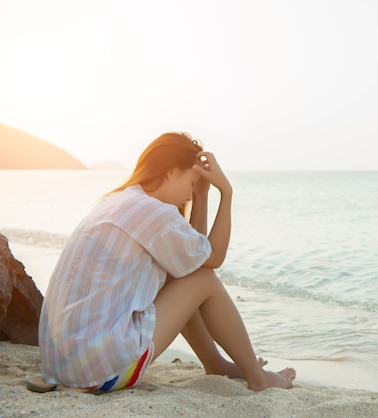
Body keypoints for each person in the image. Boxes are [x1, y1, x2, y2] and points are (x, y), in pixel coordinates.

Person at [35, 132, 296, 393]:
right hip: (100, 369)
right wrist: (226, 193)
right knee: (205, 281)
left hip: (63, 363)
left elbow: (192, 258)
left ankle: (216, 363)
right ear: (171, 172)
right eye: (192, 182)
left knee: (182, 276)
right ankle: (258, 378)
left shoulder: (119, 201)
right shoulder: (155, 213)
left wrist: (203, 197)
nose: (191, 194)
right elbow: (213, 259)